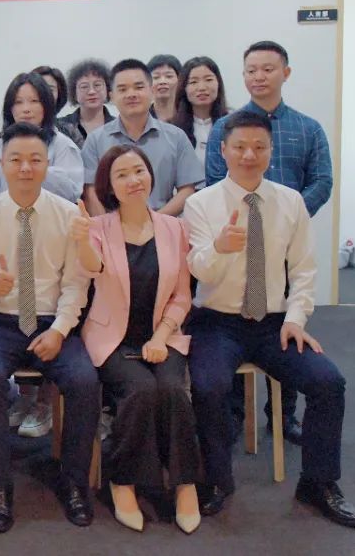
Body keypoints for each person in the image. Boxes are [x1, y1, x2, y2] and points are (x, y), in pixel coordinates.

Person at [184, 111, 355, 529]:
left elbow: (303, 270)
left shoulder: (290, 201)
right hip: (216, 322)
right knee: (208, 387)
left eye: (259, 147)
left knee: (328, 382)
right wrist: (219, 248)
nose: (249, 155)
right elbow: (198, 270)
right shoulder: (200, 204)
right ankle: (216, 480)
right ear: (223, 150)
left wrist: (296, 318)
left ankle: (318, 483)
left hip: (273, 323)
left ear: (270, 151)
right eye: (240, 147)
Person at [204, 41, 334, 444]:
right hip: (235, 237)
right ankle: (234, 414)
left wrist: (288, 219)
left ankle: (284, 416)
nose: (259, 76)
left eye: (268, 69)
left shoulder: (308, 128)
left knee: (285, 327)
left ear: (285, 73)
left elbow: (322, 180)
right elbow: (215, 180)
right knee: (232, 327)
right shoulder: (225, 128)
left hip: (282, 240)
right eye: (251, 70)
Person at [0, 122, 98, 534]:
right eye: (16, 159)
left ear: (47, 164)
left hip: (51, 320)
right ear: (1, 163)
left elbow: (77, 284)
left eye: (35, 159)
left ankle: (74, 482)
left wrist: (60, 330)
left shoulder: (69, 215)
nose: (25, 168)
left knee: (84, 381)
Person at [76, 144, 201, 534]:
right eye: (122, 175)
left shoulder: (175, 228)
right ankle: (123, 481)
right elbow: (92, 268)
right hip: (112, 338)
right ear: (109, 186)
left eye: (139, 171)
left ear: (151, 176)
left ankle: (185, 485)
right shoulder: (97, 227)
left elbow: (182, 295)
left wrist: (161, 336)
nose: (133, 180)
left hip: (163, 335)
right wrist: (80, 239)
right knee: (141, 390)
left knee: (173, 391)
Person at [81, 59, 203, 217]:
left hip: (164, 223)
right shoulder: (95, 140)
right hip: (111, 226)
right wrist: (109, 226)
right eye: (122, 89)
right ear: (112, 96)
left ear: (152, 91)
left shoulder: (176, 137)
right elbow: (90, 191)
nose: (131, 94)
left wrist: (156, 222)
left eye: (138, 87)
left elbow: (187, 189)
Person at [0, 73, 84, 204]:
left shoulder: (63, 145)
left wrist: (37, 169)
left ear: (46, 105)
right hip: (5, 214)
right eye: (18, 102)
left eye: (34, 101)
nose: (26, 109)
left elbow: (72, 194)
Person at [174, 57, 228, 165]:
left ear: (219, 83)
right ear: (184, 88)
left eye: (208, 80)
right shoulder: (173, 130)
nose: (202, 87)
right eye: (193, 82)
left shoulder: (233, 124)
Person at [56, 59, 115, 148]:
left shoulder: (118, 127)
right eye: (84, 87)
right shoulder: (60, 127)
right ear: (74, 93)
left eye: (97, 85)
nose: (91, 91)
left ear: (107, 89)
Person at [147, 54, 182, 122]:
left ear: (180, 80)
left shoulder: (190, 115)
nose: (162, 81)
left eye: (169, 76)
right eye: (156, 77)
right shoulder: (141, 118)